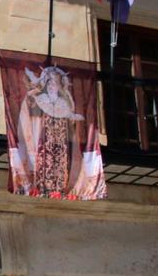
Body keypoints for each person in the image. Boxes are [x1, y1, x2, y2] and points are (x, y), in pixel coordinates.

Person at [10, 65, 106, 199]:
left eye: (54, 82)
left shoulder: (64, 102)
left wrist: (74, 117)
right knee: (45, 162)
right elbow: (30, 104)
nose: (51, 85)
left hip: (61, 142)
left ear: (60, 85)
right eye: (49, 81)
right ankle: (44, 187)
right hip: (45, 141)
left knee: (60, 166)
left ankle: (59, 188)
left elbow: (69, 117)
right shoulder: (39, 99)